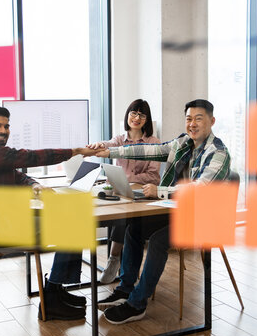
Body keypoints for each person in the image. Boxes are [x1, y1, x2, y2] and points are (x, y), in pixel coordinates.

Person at [94, 99, 230, 324]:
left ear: (212, 121)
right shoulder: (183, 143)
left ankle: (137, 304)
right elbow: (148, 149)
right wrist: (108, 151)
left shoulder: (218, 153)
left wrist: (160, 191)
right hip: (178, 212)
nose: (192, 124)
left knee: (158, 240)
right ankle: (126, 288)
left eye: (198, 119)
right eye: (188, 119)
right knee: (134, 226)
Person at [0, 105, 99, 321]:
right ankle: (53, 294)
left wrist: (35, 185)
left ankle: (55, 290)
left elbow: (19, 176)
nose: (3, 130)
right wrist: (77, 151)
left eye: (6, 126)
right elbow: (30, 157)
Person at [87, 99, 160, 284]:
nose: (136, 118)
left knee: (124, 216)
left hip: (143, 196)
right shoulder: (120, 139)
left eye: (141, 115)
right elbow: (109, 144)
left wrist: (128, 179)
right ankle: (116, 261)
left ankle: (114, 260)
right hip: (121, 193)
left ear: (147, 120)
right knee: (119, 211)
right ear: (127, 115)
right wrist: (98, 145)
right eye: (133, 113)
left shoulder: (154, 142)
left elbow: (153, 176)